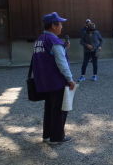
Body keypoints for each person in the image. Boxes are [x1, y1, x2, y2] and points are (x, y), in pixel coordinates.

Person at [32, 12, 75, 144]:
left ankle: (47, 135)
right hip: (56, 81)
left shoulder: (40, 39)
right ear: (53, 26)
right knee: (59, 110)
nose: (61, 26)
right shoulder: (54, 41)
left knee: (49, 108)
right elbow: (61, 63)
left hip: (44, 81)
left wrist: (63, 48)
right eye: (60, 24)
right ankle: (56, 138)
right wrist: (70, 79)